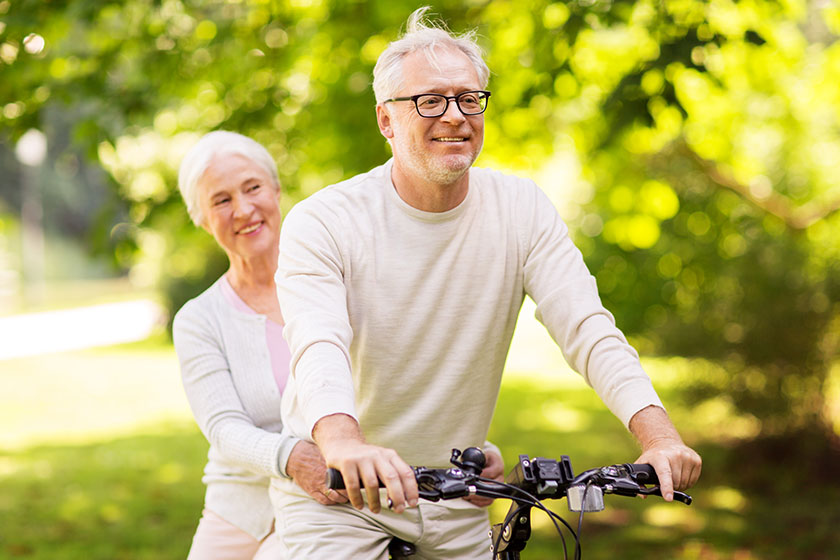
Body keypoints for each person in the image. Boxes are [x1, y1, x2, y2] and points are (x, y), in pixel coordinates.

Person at [273, 7, 702, 558]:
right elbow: (317, 343)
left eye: (468, 98)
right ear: (386, 120)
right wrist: (342, 445)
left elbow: (588, 329)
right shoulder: (325, 220)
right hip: (343, 500)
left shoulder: (521, 209)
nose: (454, 115)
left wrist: (660, 439)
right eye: (430, 100)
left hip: (458, 496)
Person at [172, 131, 349, 559]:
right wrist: (291, 457)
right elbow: (224, 429)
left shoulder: (336, 279)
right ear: (201, 218)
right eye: (221, 200)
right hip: (240, 508)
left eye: (252, 188)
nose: (244, 209)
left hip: (336, 498)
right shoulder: (198, 319)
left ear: (275, 189)